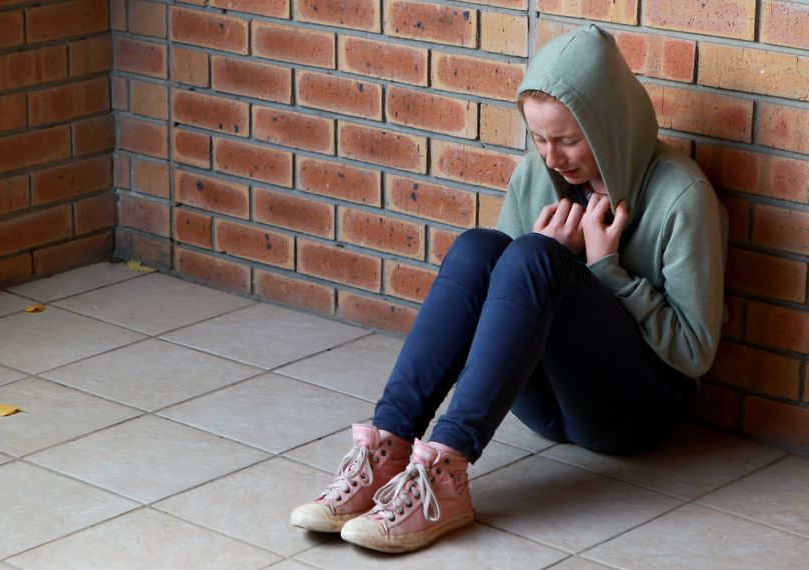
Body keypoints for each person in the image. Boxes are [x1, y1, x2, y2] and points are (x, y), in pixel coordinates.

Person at [290, 24, 728, 554]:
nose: (552, 158)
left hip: (635, 415)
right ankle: (389, 446)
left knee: (532, 253)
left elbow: (695, 353)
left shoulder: (682, 195)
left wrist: (605, 267)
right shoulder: (537, 177)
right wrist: (546, 259)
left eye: (568, 139)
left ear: (611, 124)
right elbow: (508, 290)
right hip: (547, 407)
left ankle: (446, 473)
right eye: (540, 139)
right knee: (480, 247)